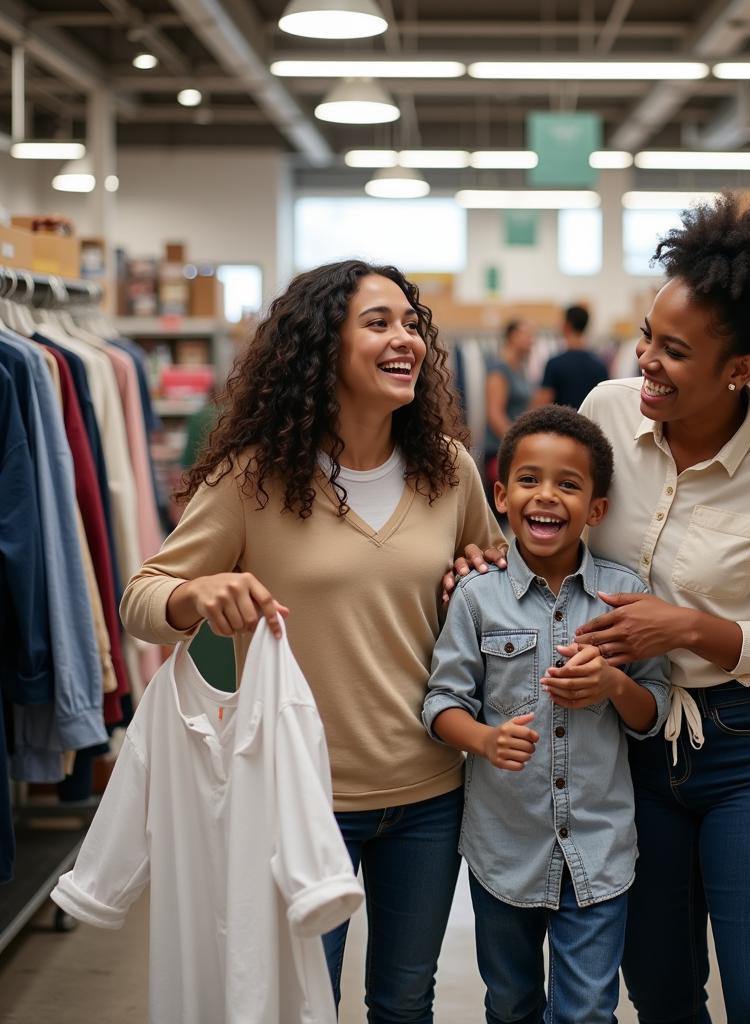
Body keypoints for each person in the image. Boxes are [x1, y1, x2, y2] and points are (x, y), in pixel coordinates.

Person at [447, 194, 750, 1023]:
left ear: (740, 368)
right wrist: (491, 557)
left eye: (674, 351)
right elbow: (549, 519)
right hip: (629, 753)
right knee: (662, 995)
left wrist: (692, 627)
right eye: (645, 338)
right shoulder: (603, 409)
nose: (646, 364)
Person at [120, 259, 506, 1019]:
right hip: (295, 796)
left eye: (410, 323)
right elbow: (141, 598)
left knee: (405, 1001)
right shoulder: (252, 478)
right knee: (300, 1002)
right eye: (378, 323)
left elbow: (498, 592)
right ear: (320, 347)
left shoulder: (449, 472)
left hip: (429, 794)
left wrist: (479, 579)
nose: (406, 339)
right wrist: (198, 592)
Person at [424, 406, 670, 1024]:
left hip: (598, 847)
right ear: (501, 495)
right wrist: (484, 739)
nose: (548, 496)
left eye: (569, 484)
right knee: (510, 1005)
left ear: (597, 509)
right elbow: (442, 703)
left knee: (587, 1010)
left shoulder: (623, 594)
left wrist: (613, 682)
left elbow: (653, 712)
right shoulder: (477, 598)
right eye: (530, 480)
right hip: (503, 849)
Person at [484, 319, 536, 512]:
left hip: (515, 447)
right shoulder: (499, 369)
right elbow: (495, 414)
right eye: (527, 335)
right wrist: (516, 444)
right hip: (501, 449)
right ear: (512, 337)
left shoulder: (520, 368)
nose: (532, 340)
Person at [533, 304, 607, 411]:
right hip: (589, 425)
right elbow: (603, 403)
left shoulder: (555, 364)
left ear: (567, 325)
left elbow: (543, 404)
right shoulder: (599, 365)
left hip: (561, 425)